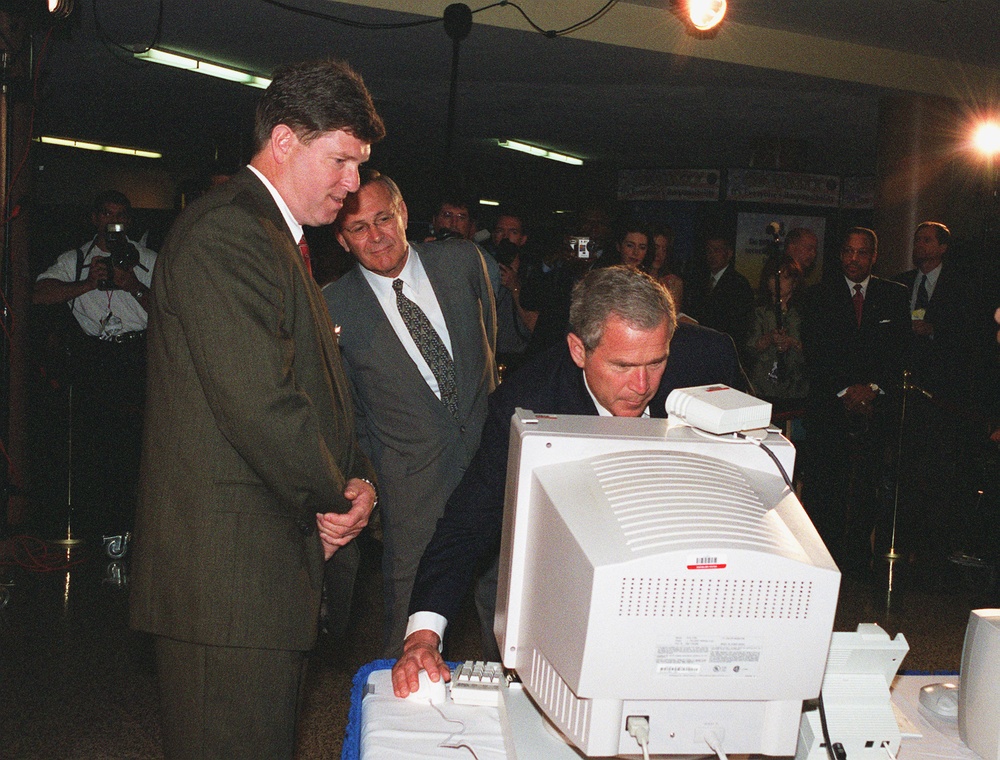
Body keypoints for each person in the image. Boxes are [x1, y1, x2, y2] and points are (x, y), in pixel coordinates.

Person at [128, 58, 383, 759]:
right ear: (284, 141)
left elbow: (316, 394)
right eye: (340, 161)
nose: (352, 183)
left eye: (359, 166)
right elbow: (262, 405)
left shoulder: (273, 238)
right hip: (228, 585)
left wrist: (359, 478)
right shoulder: (229, 233)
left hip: (258, 579)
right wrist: (336, 495)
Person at [391, 266, 747, 697]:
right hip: (576, 586)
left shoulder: (709, 360)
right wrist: (423, 635)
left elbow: (757, 466)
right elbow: (467, 525)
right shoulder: (528, 403)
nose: (642, 385)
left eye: (656, 362)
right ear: (579, 350)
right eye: (622, 365)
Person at [324, 170, 498, 658]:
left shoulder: (462, 261)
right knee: (409, 622)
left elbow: (489, 344)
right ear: (341, 239)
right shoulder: (332, 307)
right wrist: (378, 476)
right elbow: (348, 413)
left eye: (383, 219)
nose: (376, 236)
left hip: (490, 468)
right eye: (358, 228)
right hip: (411, 486)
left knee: (509, 612)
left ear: (403, 214)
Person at [33, 190, 157, 541]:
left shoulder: (149, 259)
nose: (112, 222)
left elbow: (171, 313)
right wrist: (86, 284)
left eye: (120, 215)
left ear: (129, 221)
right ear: (94, 218)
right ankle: (95, 528)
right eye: (106, 213)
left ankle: (132, 529)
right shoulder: (75, 259)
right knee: (93, 446)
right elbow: (38, 295)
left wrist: (132, 285)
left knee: (135, 447)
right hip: (94, 359)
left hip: (136, 357)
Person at [800, 227, 910, 570]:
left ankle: (859, 561)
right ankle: (821, 560)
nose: (853, 258)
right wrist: (845, 390)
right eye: (848, 251)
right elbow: (814, 350)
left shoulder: (894, 295)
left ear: (874, 257)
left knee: (867, 487)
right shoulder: (818, 295)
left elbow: (900, 351)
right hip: (830, 404)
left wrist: (872, 388)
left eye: (862, 252)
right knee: (825, 486)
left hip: (875, 406)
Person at [746, 256, 808, 410]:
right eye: (774, 277)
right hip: (763, 387)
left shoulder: (803, 312)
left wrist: (791, 342)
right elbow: (749, 349)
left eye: (785, 278)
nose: (778, 282)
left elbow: (813, 350)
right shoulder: (759, 311)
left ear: (794, 282)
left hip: (796, 388)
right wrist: (769, 338)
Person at [687, 234, 754, 353]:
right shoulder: (699, 280)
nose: (712, 255)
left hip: (724, 347)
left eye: (717, 250)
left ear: (729, 254)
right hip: (699, 345)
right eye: (709, 250)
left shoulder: (738, 283)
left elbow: (740, 324)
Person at [643, 224, 684, 310]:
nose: (659, 254)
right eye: (656, 248)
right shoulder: (635, 278)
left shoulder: (672, 283)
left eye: (664, 250)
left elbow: (673, 314)